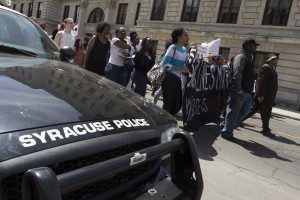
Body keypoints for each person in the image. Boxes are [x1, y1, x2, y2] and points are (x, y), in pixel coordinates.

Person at [220, 38, 259, 141]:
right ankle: (227, 132)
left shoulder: (249, 58)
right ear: (246, 46)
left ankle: (225, 125)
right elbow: (237, 73)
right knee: (234, 111)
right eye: (253, 45)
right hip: (239, 90)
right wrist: (239, 89)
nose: (255, 47)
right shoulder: (241, 57)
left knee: (245, 111)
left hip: (247, 91)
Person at [242, 54, 279, 137]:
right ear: (270, 60)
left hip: (268, 96)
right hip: (264, 96)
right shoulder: (266, 67)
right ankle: (266, 129)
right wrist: (261, 95)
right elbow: (261, 82)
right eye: (275, 59)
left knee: (253, 109)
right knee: (266, 113)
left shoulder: (271, 68)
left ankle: (238, 120)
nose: (276, 61)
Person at [161, 28, 189, 115]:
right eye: (185, 35)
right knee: (168, 104)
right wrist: (181, 69)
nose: (187, 37)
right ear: (178, 37)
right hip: (169, 77)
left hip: (178, 78)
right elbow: (165, 64)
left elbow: (183, 64)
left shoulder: (184, 49)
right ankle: (163, 122)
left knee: (177, 104)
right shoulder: (173, 47)